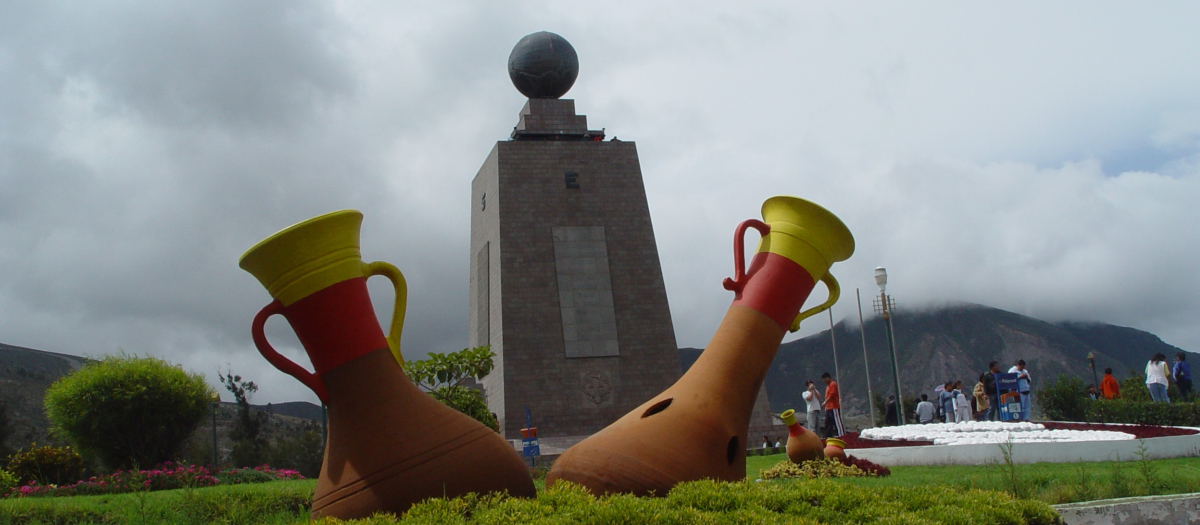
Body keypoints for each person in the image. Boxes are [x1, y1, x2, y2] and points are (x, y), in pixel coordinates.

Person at [821, 372, 844, 438]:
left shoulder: (833, 384)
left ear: (828, 377)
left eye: (825, 378)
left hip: (834, 407)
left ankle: (841, 435)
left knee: (837, 422)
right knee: (828, 423)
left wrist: (825, 402)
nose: (824, 380)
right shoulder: (827, 386)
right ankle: (827, 436)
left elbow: (832, 394)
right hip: (828, 408)